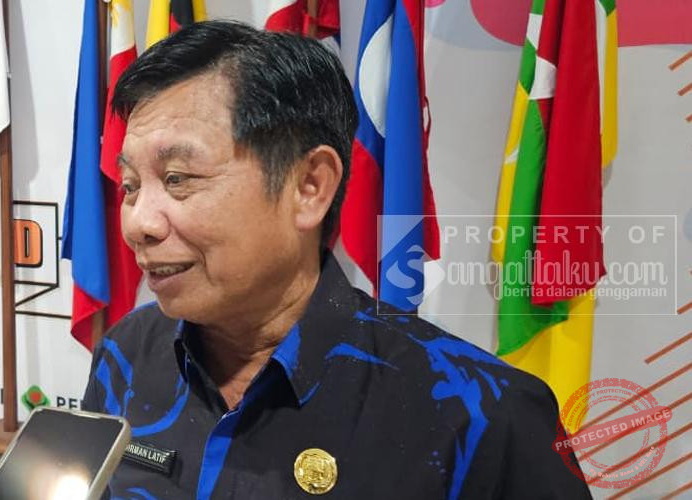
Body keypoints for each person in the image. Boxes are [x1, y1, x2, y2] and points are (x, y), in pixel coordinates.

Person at [82, 20, 592, 500]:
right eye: (130, 186)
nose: (138, 223)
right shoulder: (126, 356)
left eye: (177, 179)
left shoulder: (480, 414)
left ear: (309, 186)